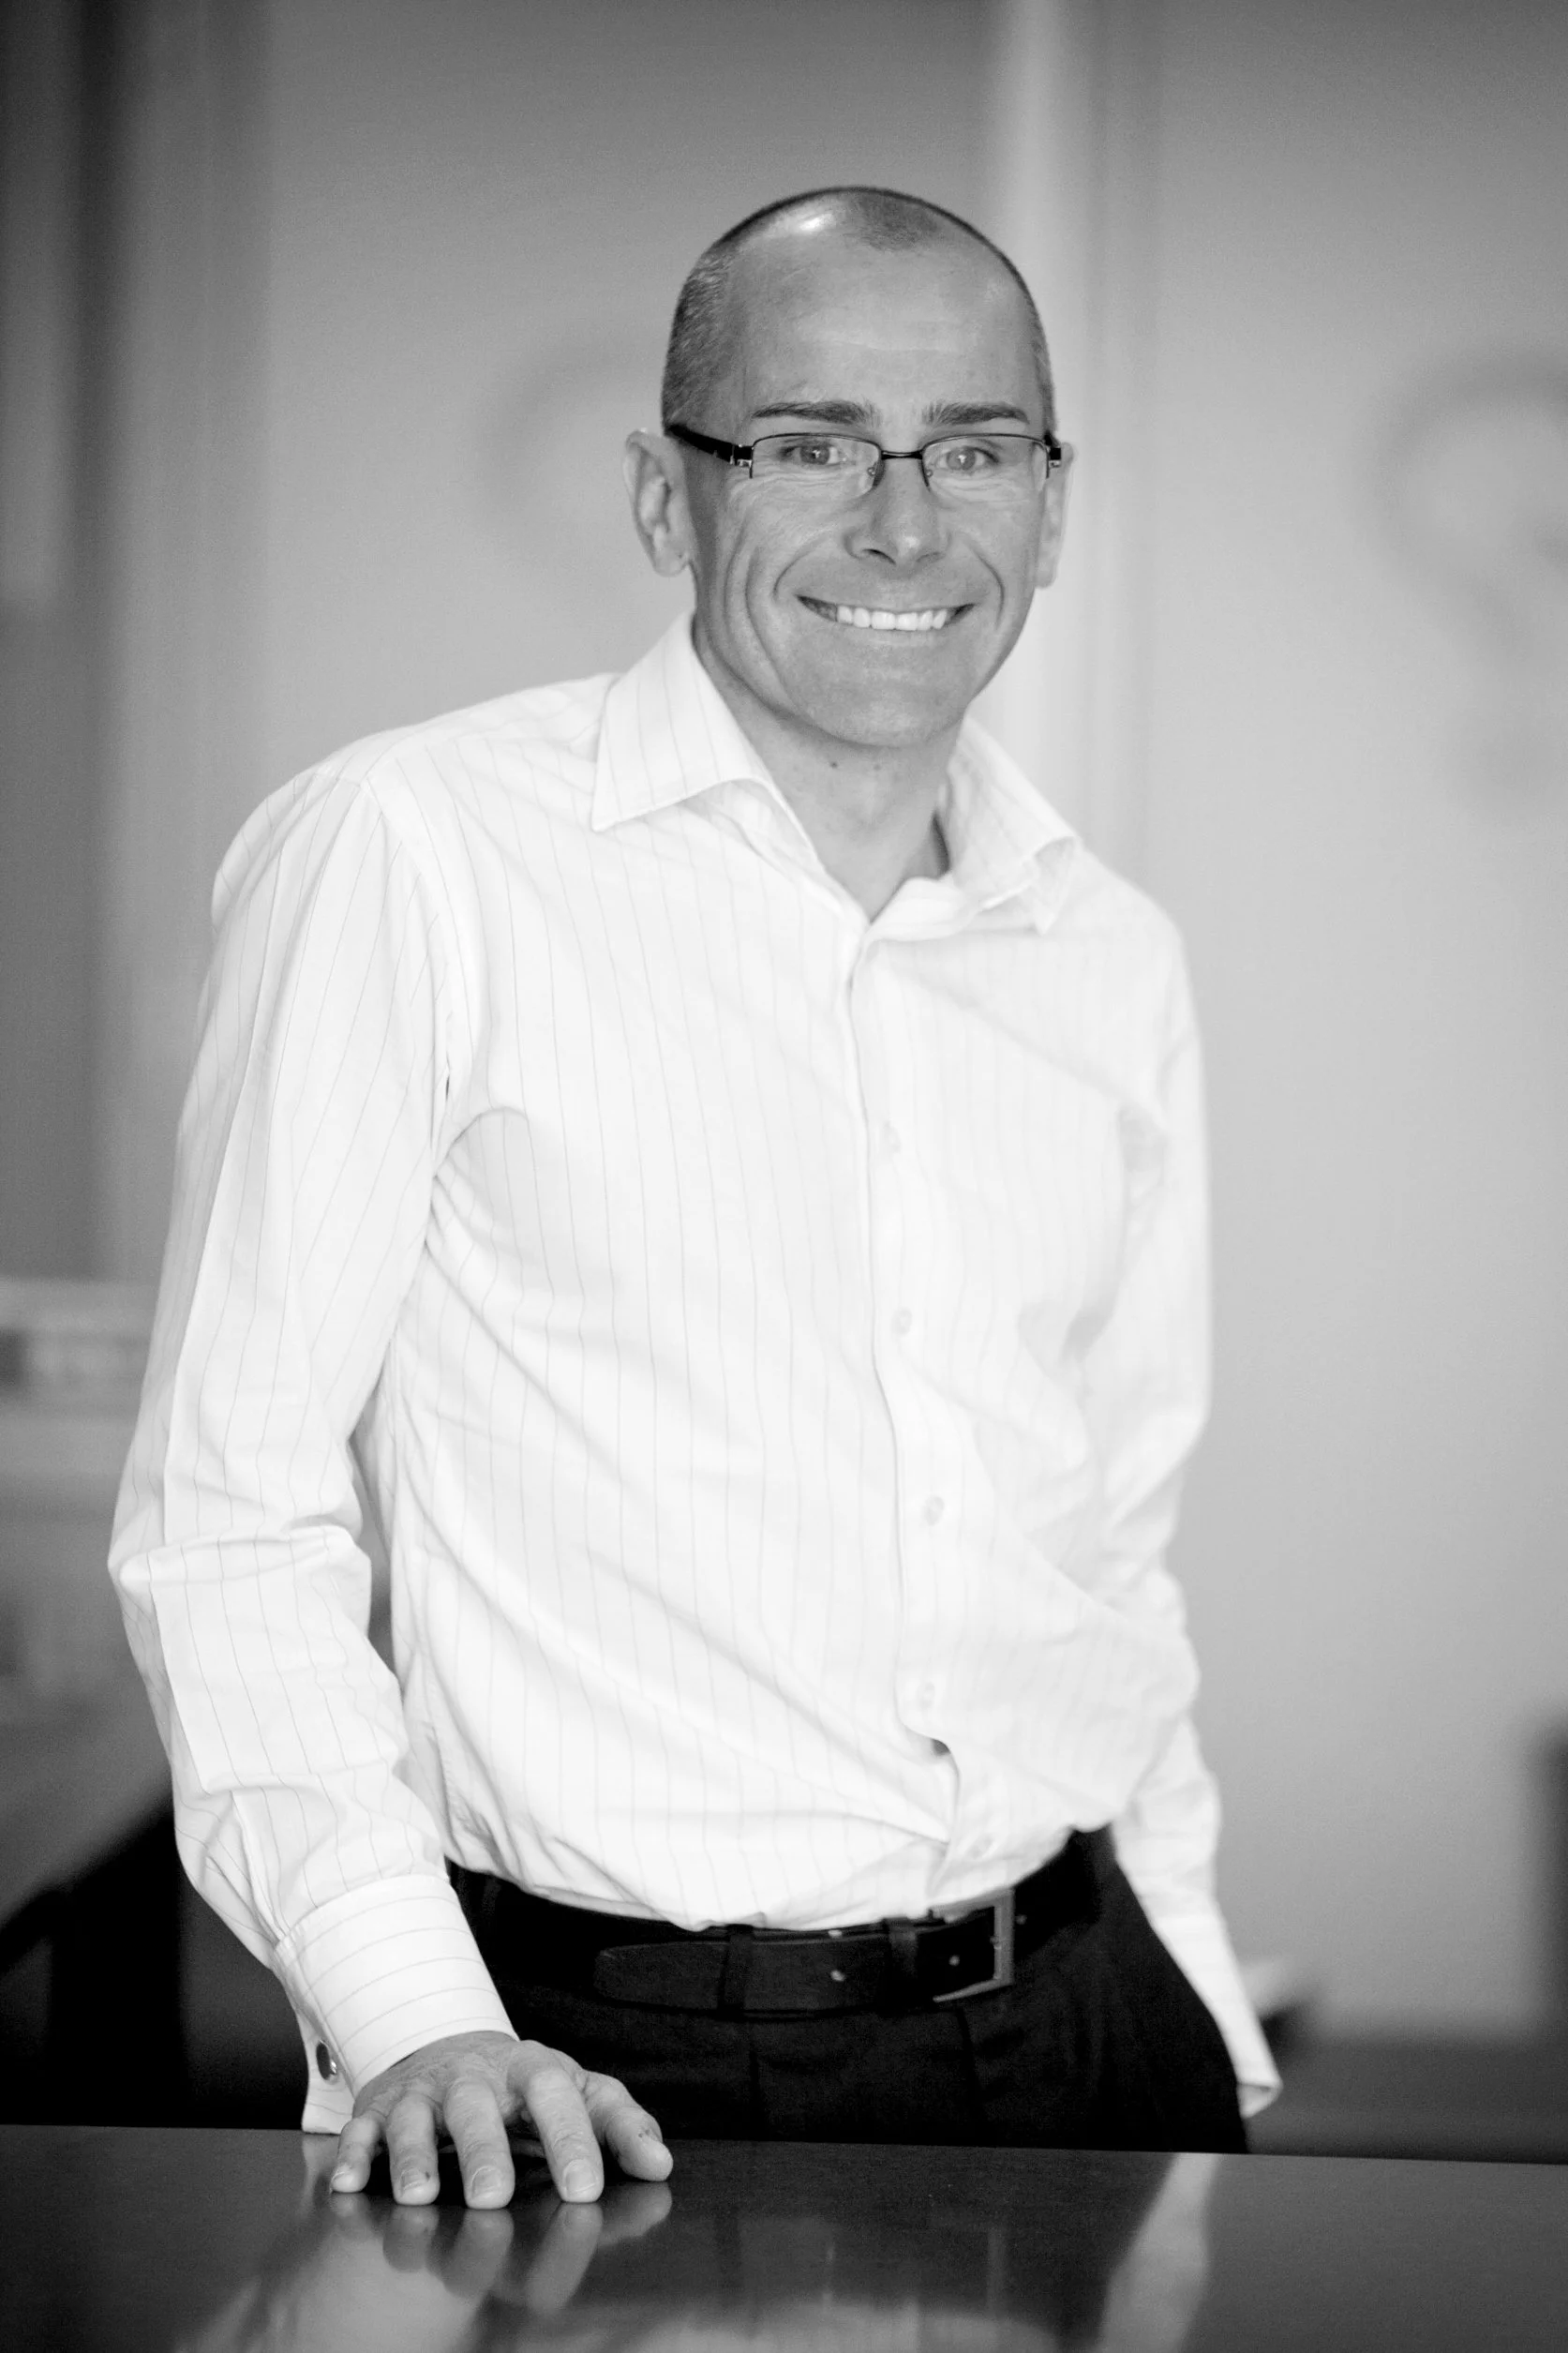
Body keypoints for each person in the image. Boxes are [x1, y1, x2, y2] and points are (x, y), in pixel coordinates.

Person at [111, 186, 1278, 2214]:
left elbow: (1110, 1540)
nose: (907, 525)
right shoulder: (412, 852)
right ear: (668, 498)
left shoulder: (1105, 947)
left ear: (1051, 508)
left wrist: (1194, 1999)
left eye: (975, 450)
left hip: (1098, 2021)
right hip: (622, 2074)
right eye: (814, 445)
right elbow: (229, 1507)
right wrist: (415, 2018)